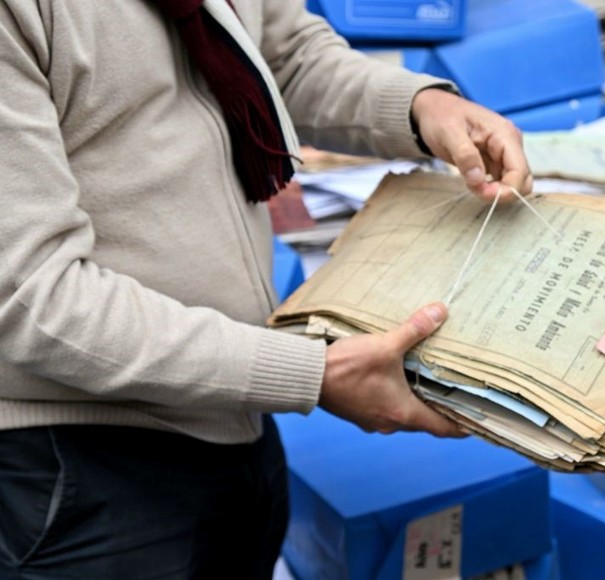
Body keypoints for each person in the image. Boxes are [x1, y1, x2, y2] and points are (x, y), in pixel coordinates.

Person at [0, 1, 532, 578]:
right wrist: (307, 373)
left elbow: (282, 53)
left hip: (235, 408)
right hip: (84, 468)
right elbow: (32, 296)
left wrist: (423, 105)